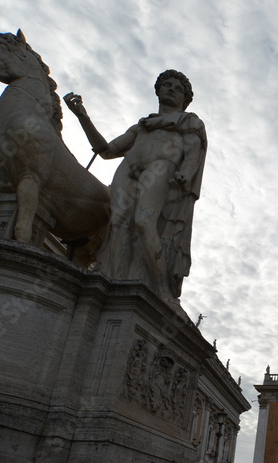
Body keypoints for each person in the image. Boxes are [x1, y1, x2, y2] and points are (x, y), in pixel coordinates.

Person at [64, 70, 205, 305]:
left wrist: (185, 175)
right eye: (165, 85)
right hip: (128, 170)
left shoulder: (188, 122)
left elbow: (192, 154)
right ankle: (112, 282)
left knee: (143, 222)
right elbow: (107, 151)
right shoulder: (141, 127)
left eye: (177, 88)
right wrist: (82, 117)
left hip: (161, 168)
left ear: (185, 98)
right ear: (157, 91)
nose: (170, 89)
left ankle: (162, 292)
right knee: (118, 223)